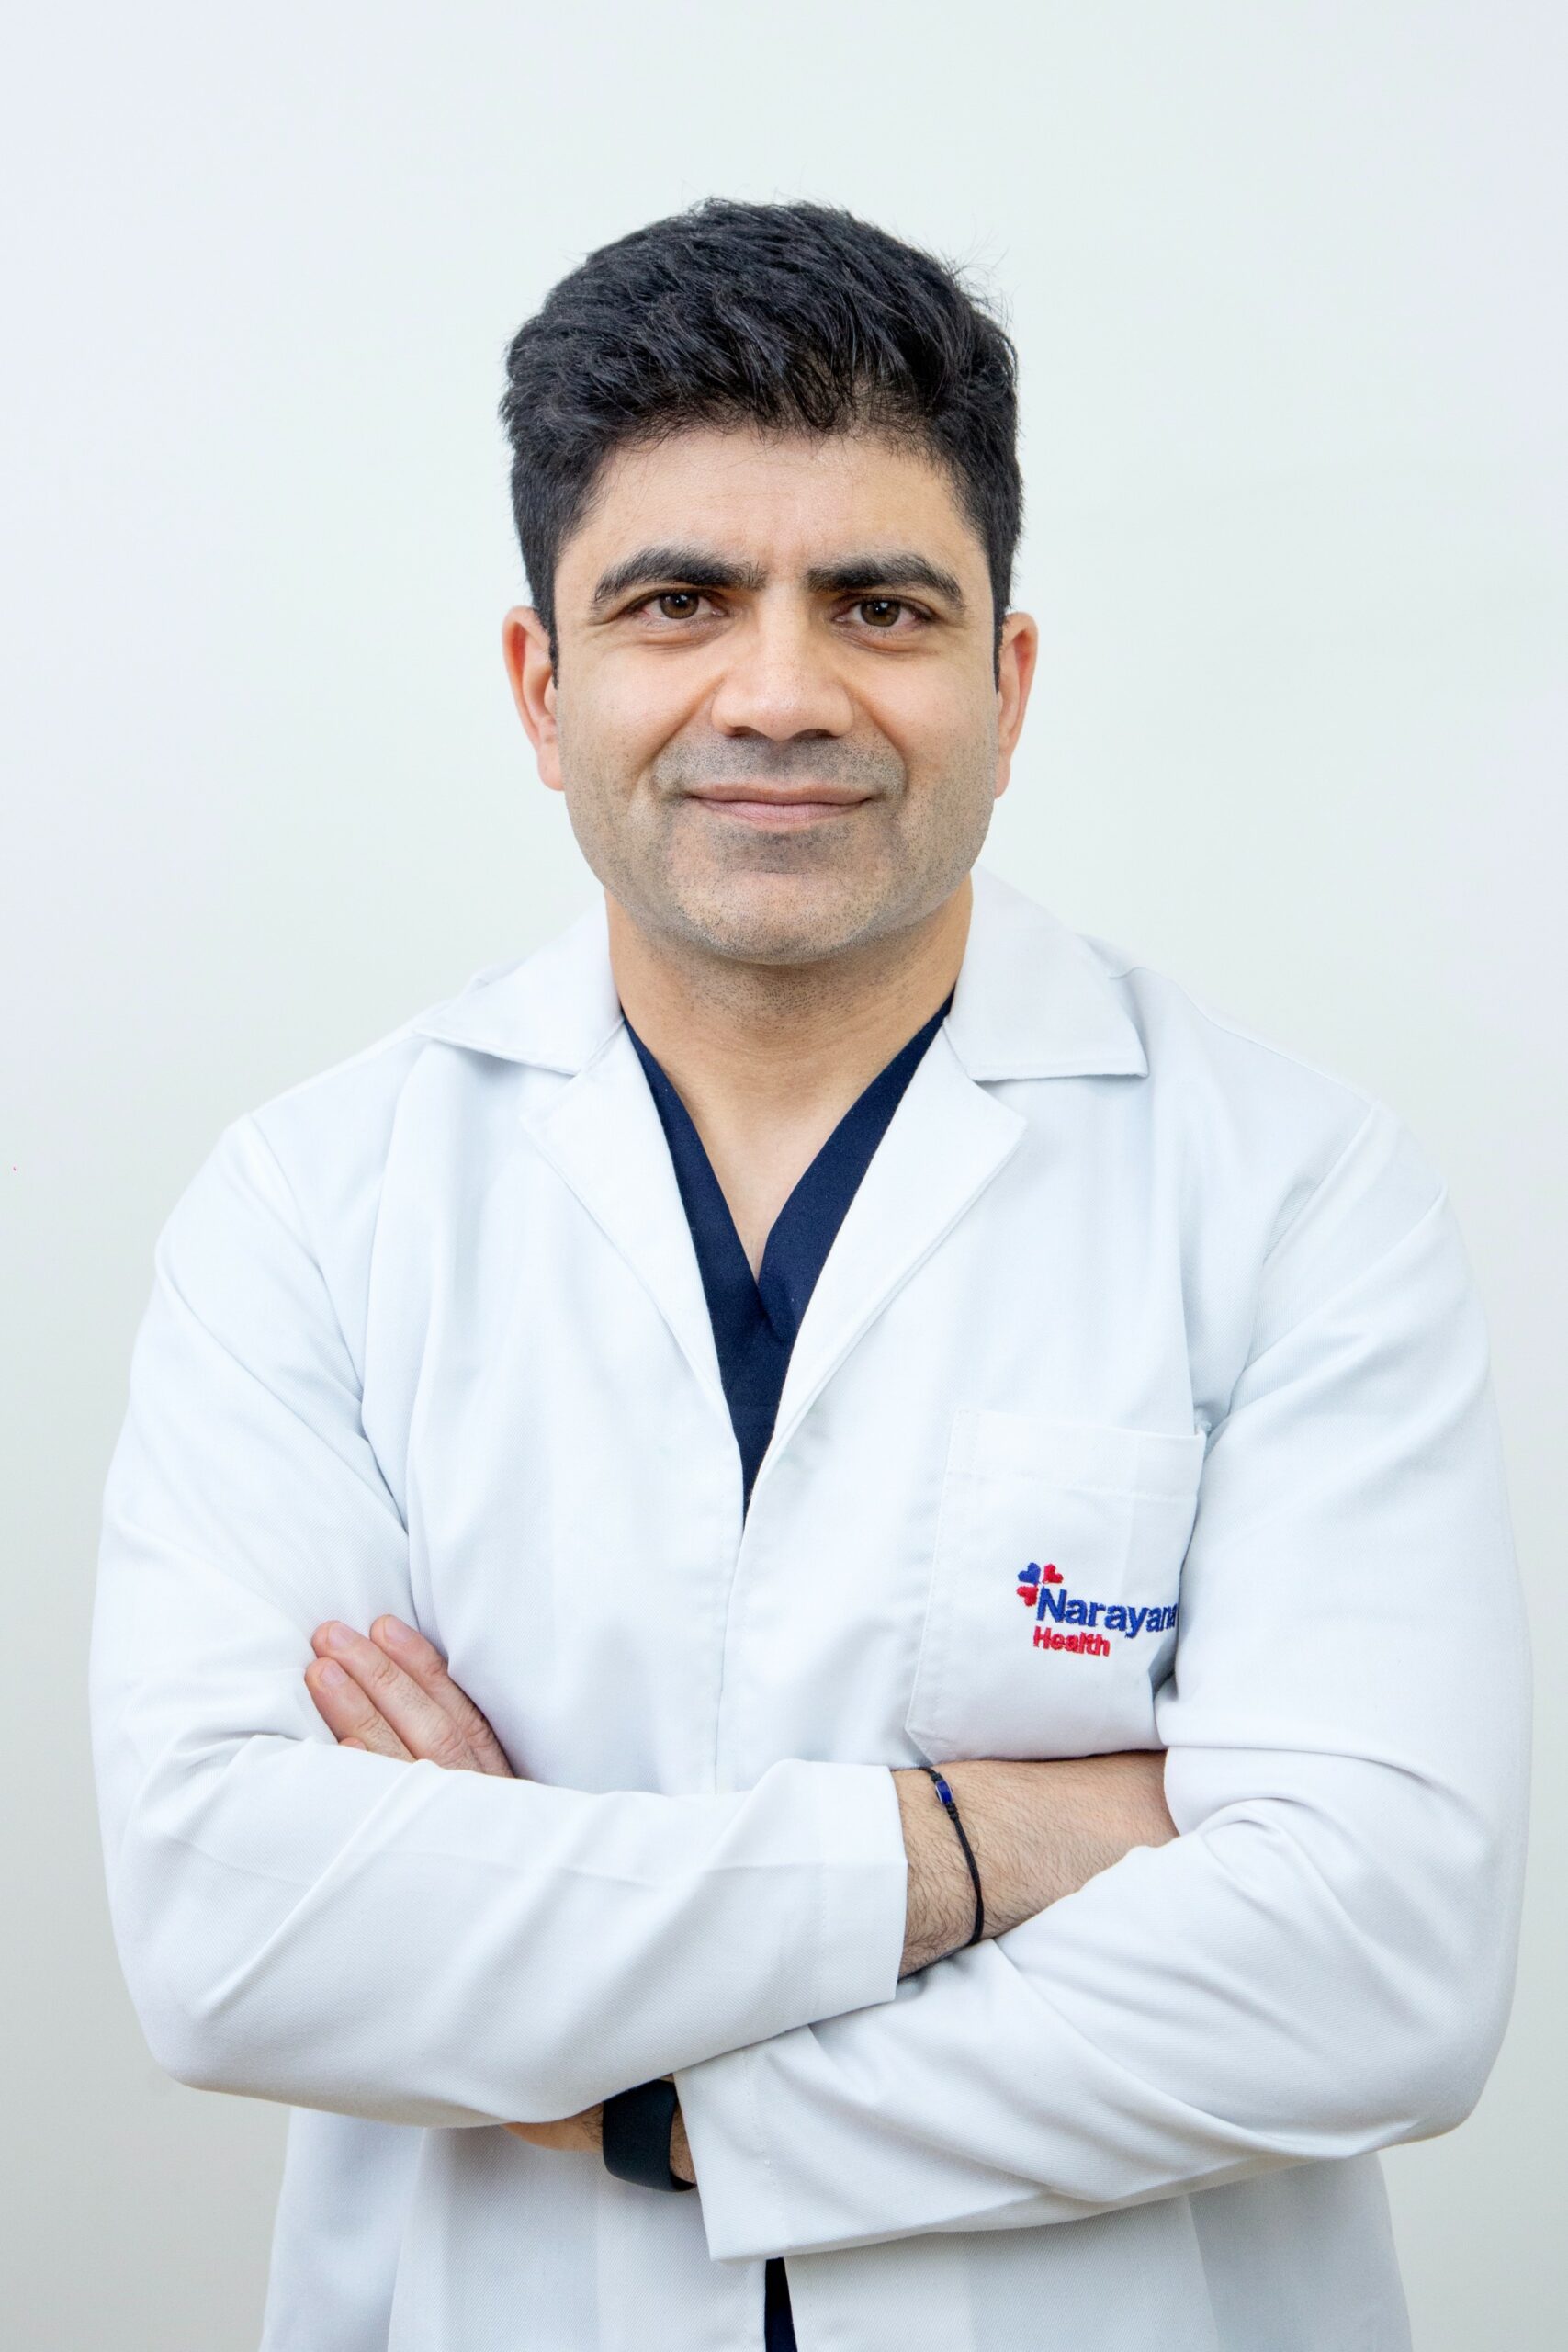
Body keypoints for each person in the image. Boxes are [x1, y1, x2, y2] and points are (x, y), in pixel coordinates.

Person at [88, 198, 1531, 2352]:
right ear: (542, 683)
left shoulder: (1290, 1191)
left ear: (1003, 685)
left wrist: (654, 2099)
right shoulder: (313, 1203)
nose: (778, 692)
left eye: (877, 604)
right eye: (676, 600)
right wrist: (971, 1840)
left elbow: (1379, 1964)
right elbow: (237, 1926)